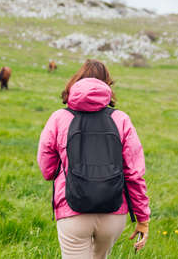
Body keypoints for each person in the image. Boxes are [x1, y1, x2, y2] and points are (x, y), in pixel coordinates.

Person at [37, 59, 150, 258]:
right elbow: (134, 174)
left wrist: (56, 171)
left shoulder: (59, 118)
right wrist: (142, 218)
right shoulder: (121, 119)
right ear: (107, 85)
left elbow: (46, 166)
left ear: (76, 82)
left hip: (72, 209)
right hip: (113, 212)